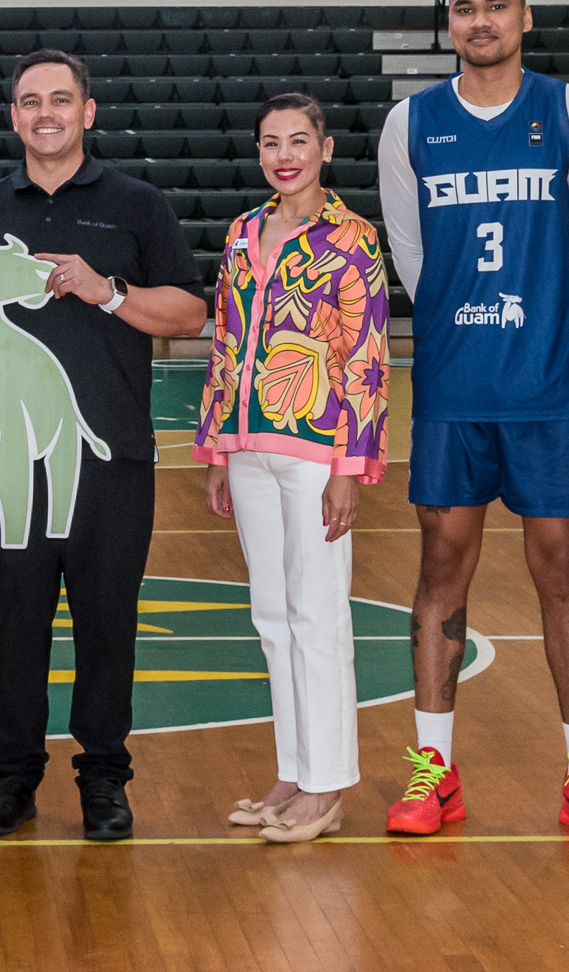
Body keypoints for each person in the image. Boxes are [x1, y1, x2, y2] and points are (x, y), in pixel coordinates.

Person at [377, 0, 569, 842]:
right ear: (449, 24)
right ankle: (433, 769)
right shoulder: (411, 123)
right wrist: (467, 327)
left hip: (548, 383)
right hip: (453, 383)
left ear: (526, 17)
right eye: (464, 9)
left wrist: (544, 327)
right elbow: (412, 260)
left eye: (496, 7)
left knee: (562, 566)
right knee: (442, 566)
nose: (479, 21)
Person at [0, 50, 207, 843]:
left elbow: (191, 314)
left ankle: (103, 780)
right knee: (14, 628)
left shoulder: (136, 206)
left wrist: (111, 291)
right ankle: (14, 779)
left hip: (112, 461)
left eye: (61, 99)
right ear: (15, 116)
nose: (47, 113)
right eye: (31, 101)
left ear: (88, 112)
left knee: (106, 626)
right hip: (10, 466)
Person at [192, 92, 391, 845]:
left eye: (299, 140)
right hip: (247, 450)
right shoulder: (244, 232)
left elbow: (368, 357)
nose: (285, 154)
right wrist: (216, 445)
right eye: (272, 141)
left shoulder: (352, 239)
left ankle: (329, 782)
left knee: (319, 616)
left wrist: (352, 465)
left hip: (317, 452)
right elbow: (226, 342)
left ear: (327, 148)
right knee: (273, 619)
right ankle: (292, 769)